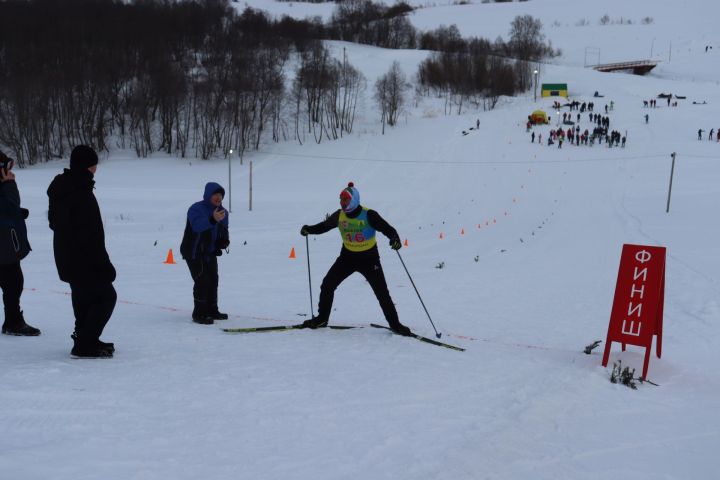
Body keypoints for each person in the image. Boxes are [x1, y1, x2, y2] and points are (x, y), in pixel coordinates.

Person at [300, 182, 411, 336]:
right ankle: (322, 319)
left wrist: (394, 238)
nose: (342, 202)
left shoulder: (369, 214)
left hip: (369, 259)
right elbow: (324, 226)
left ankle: (396, 325)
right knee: (327, 285)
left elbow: (388, 229)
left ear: (354, 199)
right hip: (347, 258)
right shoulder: (339, 215)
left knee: (382, 293)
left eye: (345, 199)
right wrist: (309, 229)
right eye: (341, 199)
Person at [47, 145, 116, 358]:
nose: (96, 169)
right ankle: (85, 343)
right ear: (88, 166)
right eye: (94, 164)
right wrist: (103, 264)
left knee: (83, 296)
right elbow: (88, 235)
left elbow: (58, 224)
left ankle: (85, 338)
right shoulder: (78, 190)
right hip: (83, 258)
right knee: (106, 296)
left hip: (68, 257)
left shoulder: (65, 186)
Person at [0, 151, 39, 336]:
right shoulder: (5, 184)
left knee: (14, 282)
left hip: (7, 244)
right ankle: (13, 322)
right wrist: (9, 184)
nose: (10, 171)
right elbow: (8, 207)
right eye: (7, 167)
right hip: (4, 246)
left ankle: (12, 321)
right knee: (13, 282)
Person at [180, 182, 230, 325]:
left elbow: (224, 229)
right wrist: (212, 219)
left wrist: (224, 240)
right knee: (202, 281)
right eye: (215, 194)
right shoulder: (196, 209)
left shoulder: (222, 212)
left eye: (221, 195)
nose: (218, 197)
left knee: (213, 280)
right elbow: (197, 226)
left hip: (209, 252)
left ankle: (212, 310)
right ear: (208, 195)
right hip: (193, 251)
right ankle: (199, 313)